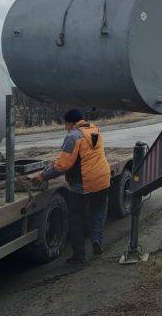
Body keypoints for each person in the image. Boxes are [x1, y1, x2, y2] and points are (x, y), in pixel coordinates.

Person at [33, 109, 111, 263]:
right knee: (98, 212)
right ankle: (96, 241)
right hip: (103, 179)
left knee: (75, 218)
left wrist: (42, 175)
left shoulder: (73, 136)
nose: (65, 128)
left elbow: (62, 166)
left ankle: (79, 255)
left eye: (65, 124)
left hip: (84, 184)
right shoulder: (95, 130)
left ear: (71, 122)